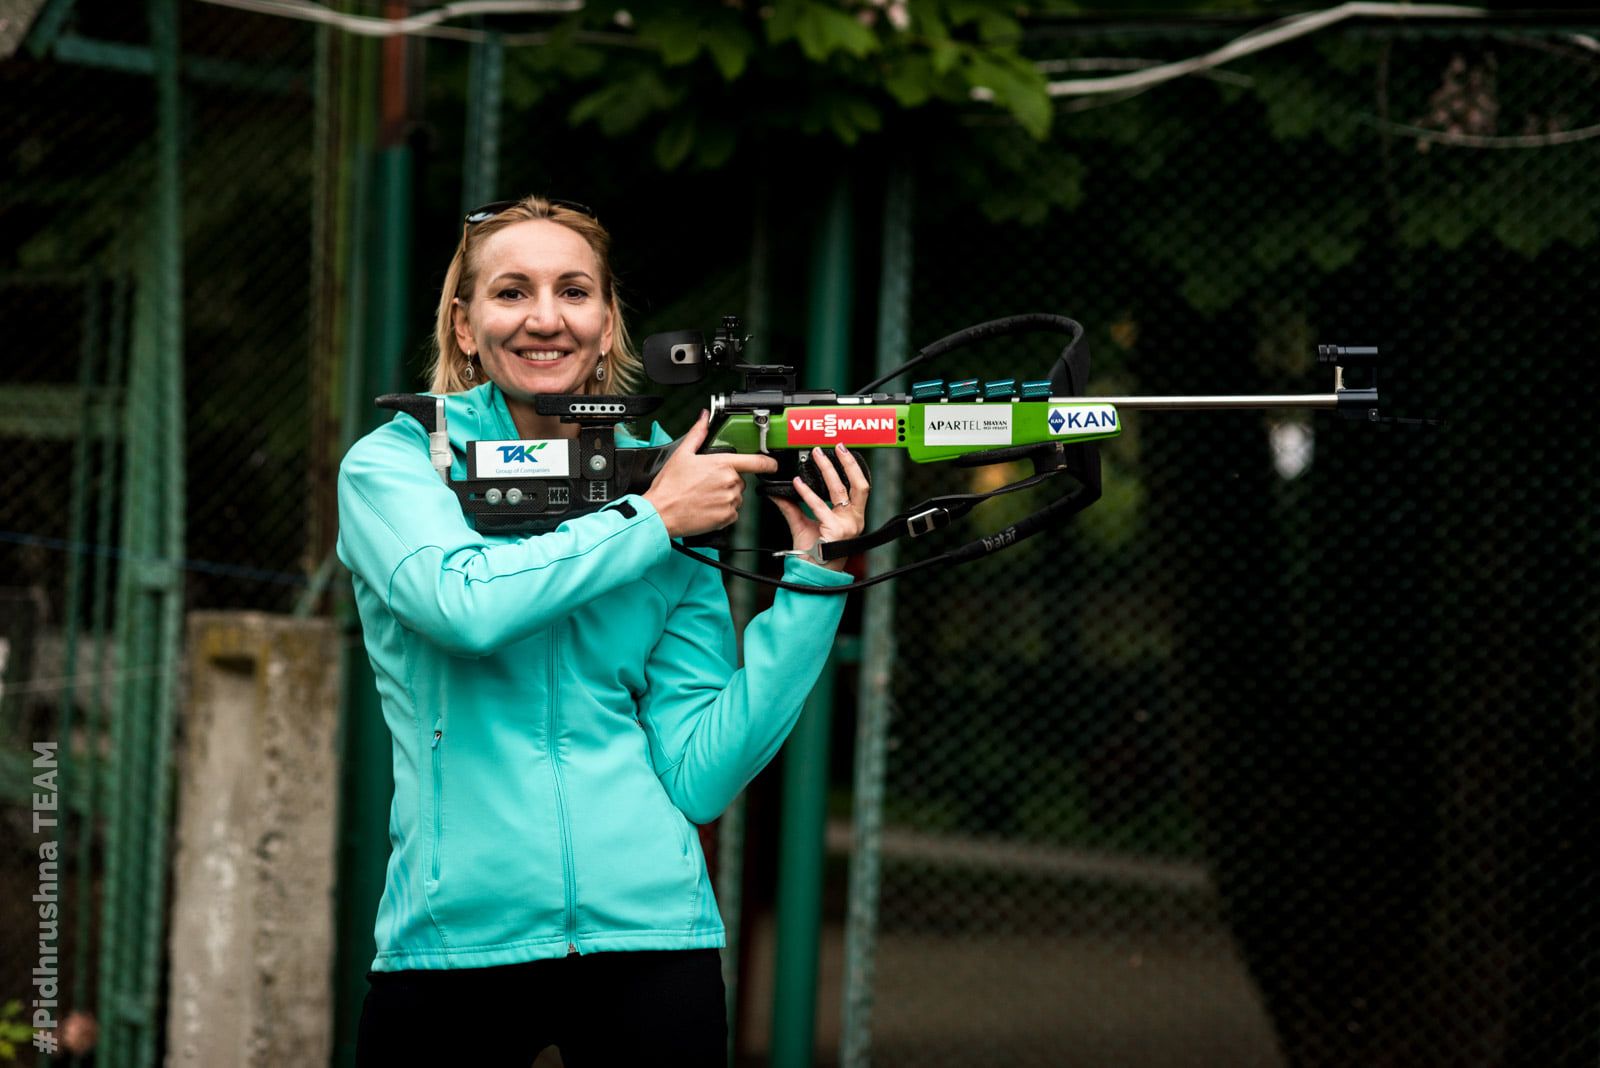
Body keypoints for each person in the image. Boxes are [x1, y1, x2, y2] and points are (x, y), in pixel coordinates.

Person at [338, 195, 867, 1066]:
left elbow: (697, 776)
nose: (546, 318)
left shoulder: (669, 472)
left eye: (574, 292)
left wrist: (814, 582)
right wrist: (651, 519)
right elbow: (462, 606)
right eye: (512, 293)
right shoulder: (396, 464)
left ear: (607, 322)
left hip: (655, 935)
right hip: (452, 938)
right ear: (465, 327)